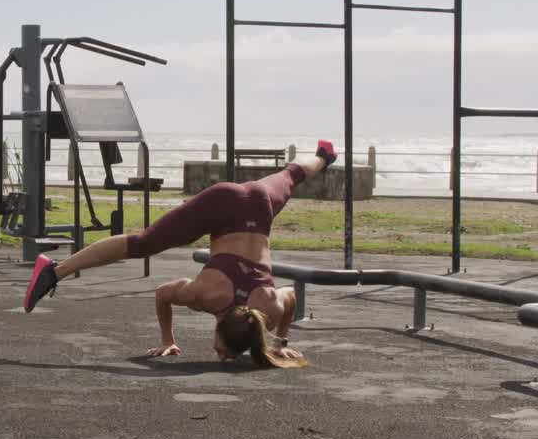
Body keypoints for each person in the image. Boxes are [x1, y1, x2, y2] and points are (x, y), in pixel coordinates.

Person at [22, 140, 339, 368]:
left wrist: (281, 342)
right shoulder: (206, 295)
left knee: (292, 175)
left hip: (259, 202)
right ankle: (53, 270)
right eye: (223, 351)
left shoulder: (267, 310)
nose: (219, 354)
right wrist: (166, 339)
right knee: (143, 242)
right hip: (226, 205)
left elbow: (291, 298)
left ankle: (324, 155)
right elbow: (162, 293)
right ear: (221, 328)